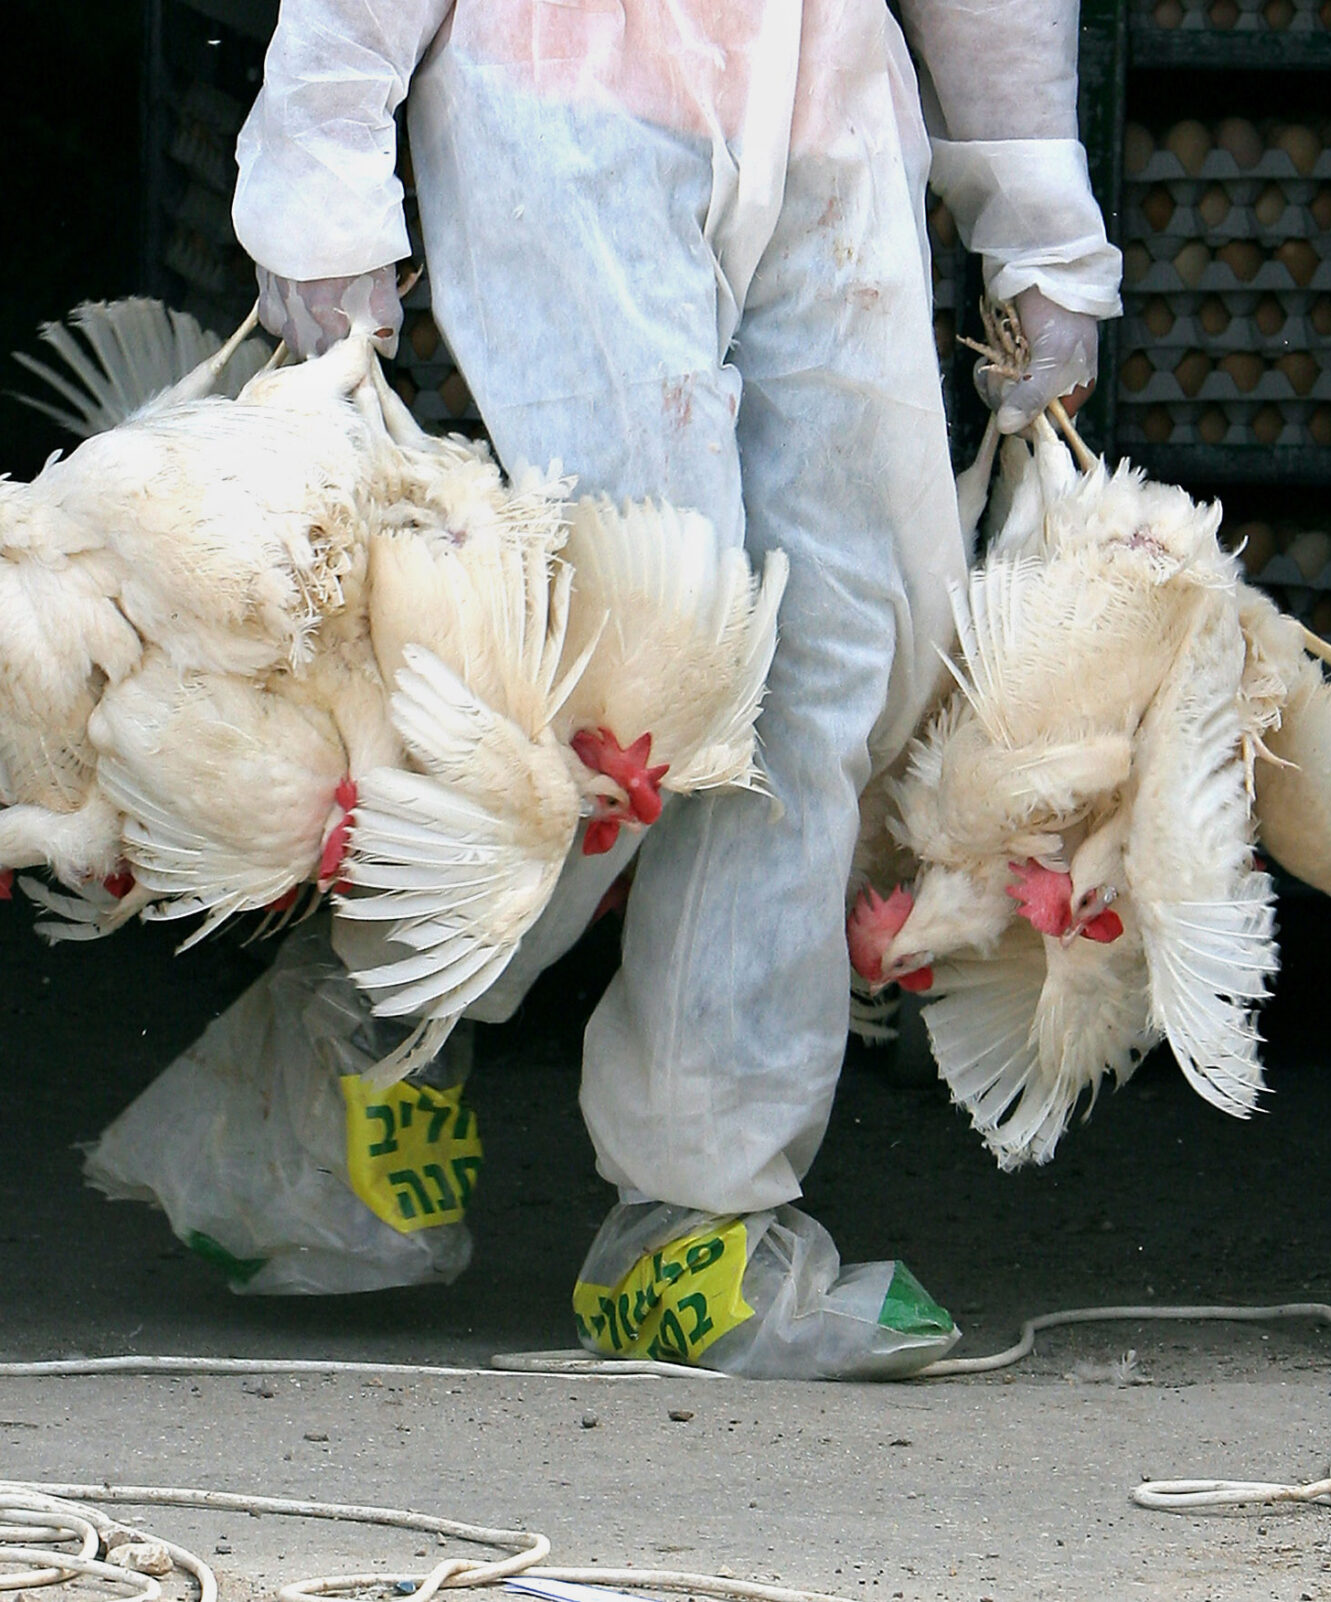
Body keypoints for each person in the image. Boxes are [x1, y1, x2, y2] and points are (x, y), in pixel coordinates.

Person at [222, 0, 1121, 1373]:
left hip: (822, 105)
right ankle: (386, 998)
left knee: (826, 654)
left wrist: (1037, 210)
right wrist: (324, 150)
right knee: (645, 631)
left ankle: (695, 1218)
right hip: (561, 88)